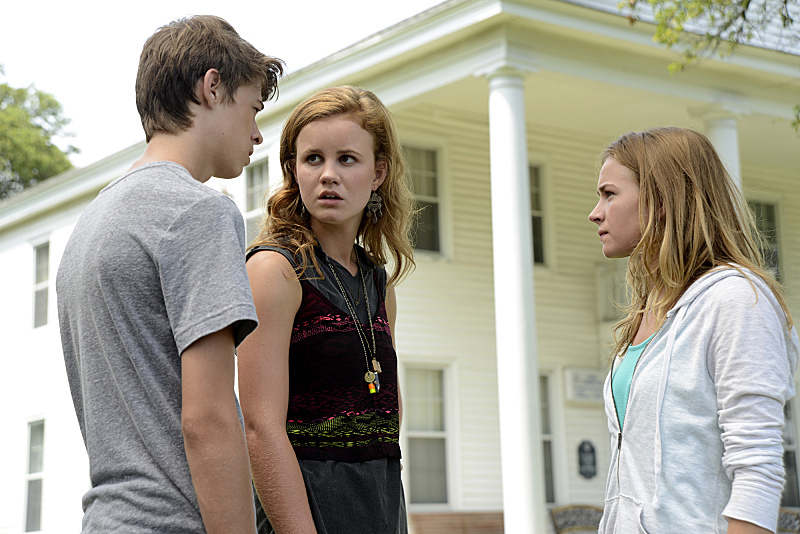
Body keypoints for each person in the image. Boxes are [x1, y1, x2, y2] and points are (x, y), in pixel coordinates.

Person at [56, 15, 283, 533]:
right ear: (212, 86)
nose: (256, 132)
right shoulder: (198, 213)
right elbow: (208, 419)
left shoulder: (91, 225)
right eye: (251, 108)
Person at [588, 126, 799, 534]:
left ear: (661, 200)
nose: (595, 212)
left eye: (609, 194)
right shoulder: (647, 311)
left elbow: (757, 466)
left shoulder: (736, 300)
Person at [238, 85, 415, 534]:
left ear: (378, 173)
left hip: (380, 513)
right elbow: (260, 429)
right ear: (293, 171)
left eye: (347, 159)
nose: (328, 174)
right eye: (313, 158)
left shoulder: (379, 285)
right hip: (305, 517)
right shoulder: (275, 270)